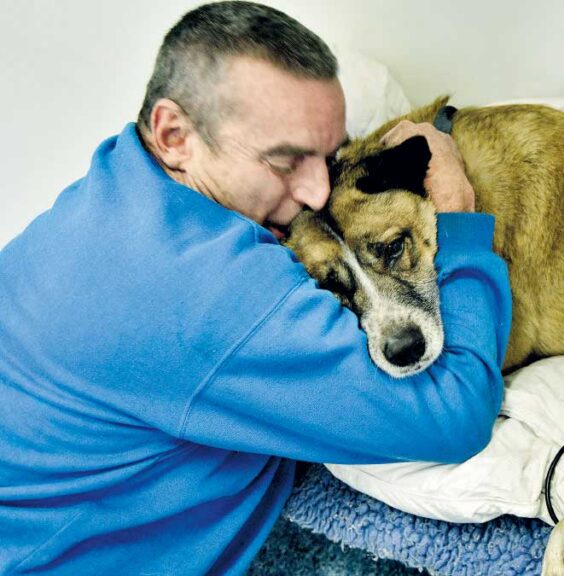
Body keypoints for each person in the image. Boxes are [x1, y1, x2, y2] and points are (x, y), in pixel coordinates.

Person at [0, 2, 512, 574]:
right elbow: (456, 413)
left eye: (326, 157)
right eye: (286, 160)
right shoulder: (208, 290)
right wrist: (458, 213)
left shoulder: (115, 187)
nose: (317, 193)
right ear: (174, 134)